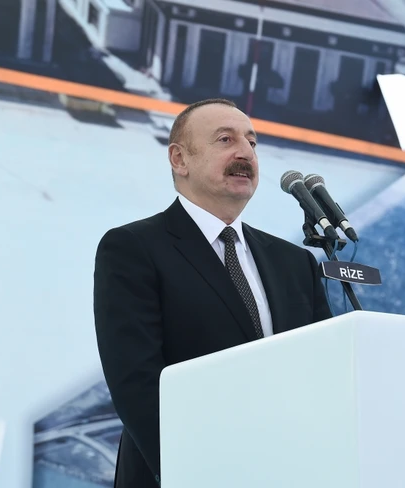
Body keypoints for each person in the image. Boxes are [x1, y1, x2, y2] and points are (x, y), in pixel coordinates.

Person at [93, 98, 332, 488]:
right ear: (179, 159)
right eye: (226, 139)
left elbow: (322, 373)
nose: (245, 153)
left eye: (252, 143)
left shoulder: (294, 262)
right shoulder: (134, 248)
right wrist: (193, 470)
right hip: (185, 473)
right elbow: (135, 380)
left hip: (283, 470)